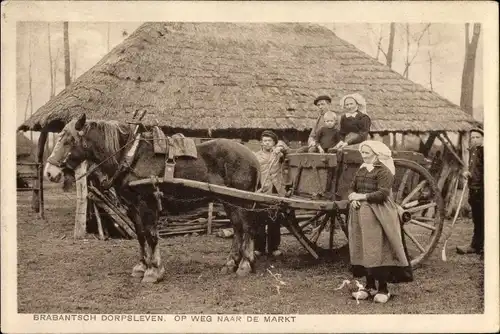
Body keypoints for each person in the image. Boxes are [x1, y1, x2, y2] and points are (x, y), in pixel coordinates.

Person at [347, 140, 413, 303]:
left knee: (378, 249)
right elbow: (352, 187)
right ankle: (369, 287)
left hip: (379, 213)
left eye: (367, 153)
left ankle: (383, 289)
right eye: (362, 153)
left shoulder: (384, 171)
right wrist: (352, 198)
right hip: (360, 214)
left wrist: (361, 197)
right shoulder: (362, 169)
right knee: (363, 248)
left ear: (376, 154)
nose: (364, 156)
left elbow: (383, 193)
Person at [253, 130, 288, 257]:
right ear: (261, 143)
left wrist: (279, 147)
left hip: (276, 189)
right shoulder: (255, 156)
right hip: (262, 189)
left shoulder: (278, 154)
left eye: (270, 141)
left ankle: (274, 248)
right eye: (265, 141)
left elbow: (286, 148)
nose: (267, 143)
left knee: (274, 220)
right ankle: (259, 248)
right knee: (260, 220)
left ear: (274, 142)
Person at [457, 128, 484, 255]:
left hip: (482, 190)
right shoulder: (472, 151)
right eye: (472, 138)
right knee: (477, 219)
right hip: (473, 189)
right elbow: (473, 170)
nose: (474, 140)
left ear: (483, 139)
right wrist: (467, 173)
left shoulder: (485, 152)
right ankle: (477, 245)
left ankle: (478, 245)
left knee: (484, 218)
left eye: (477, 137)